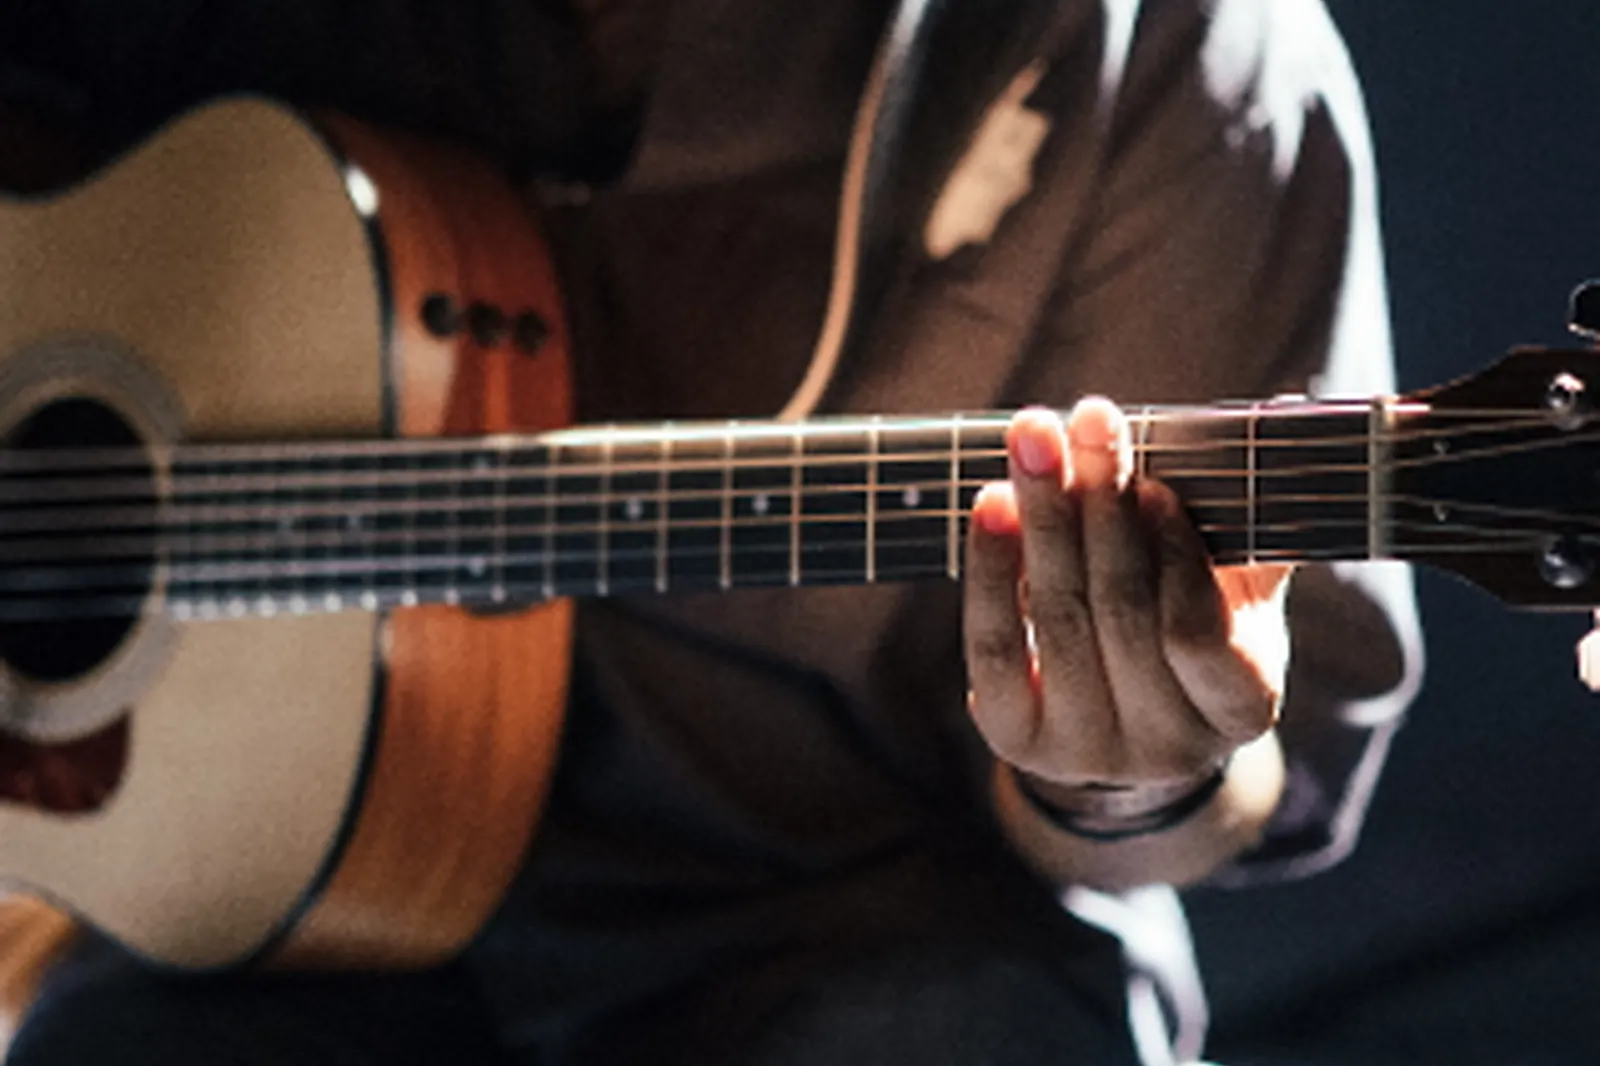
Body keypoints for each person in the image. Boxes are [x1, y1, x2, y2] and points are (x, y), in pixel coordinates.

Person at [0, 0, 1422, 1063]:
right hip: (261, 927)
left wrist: (1126, 779)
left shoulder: (1183, 53)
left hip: (871, 922)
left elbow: (1248, 785)